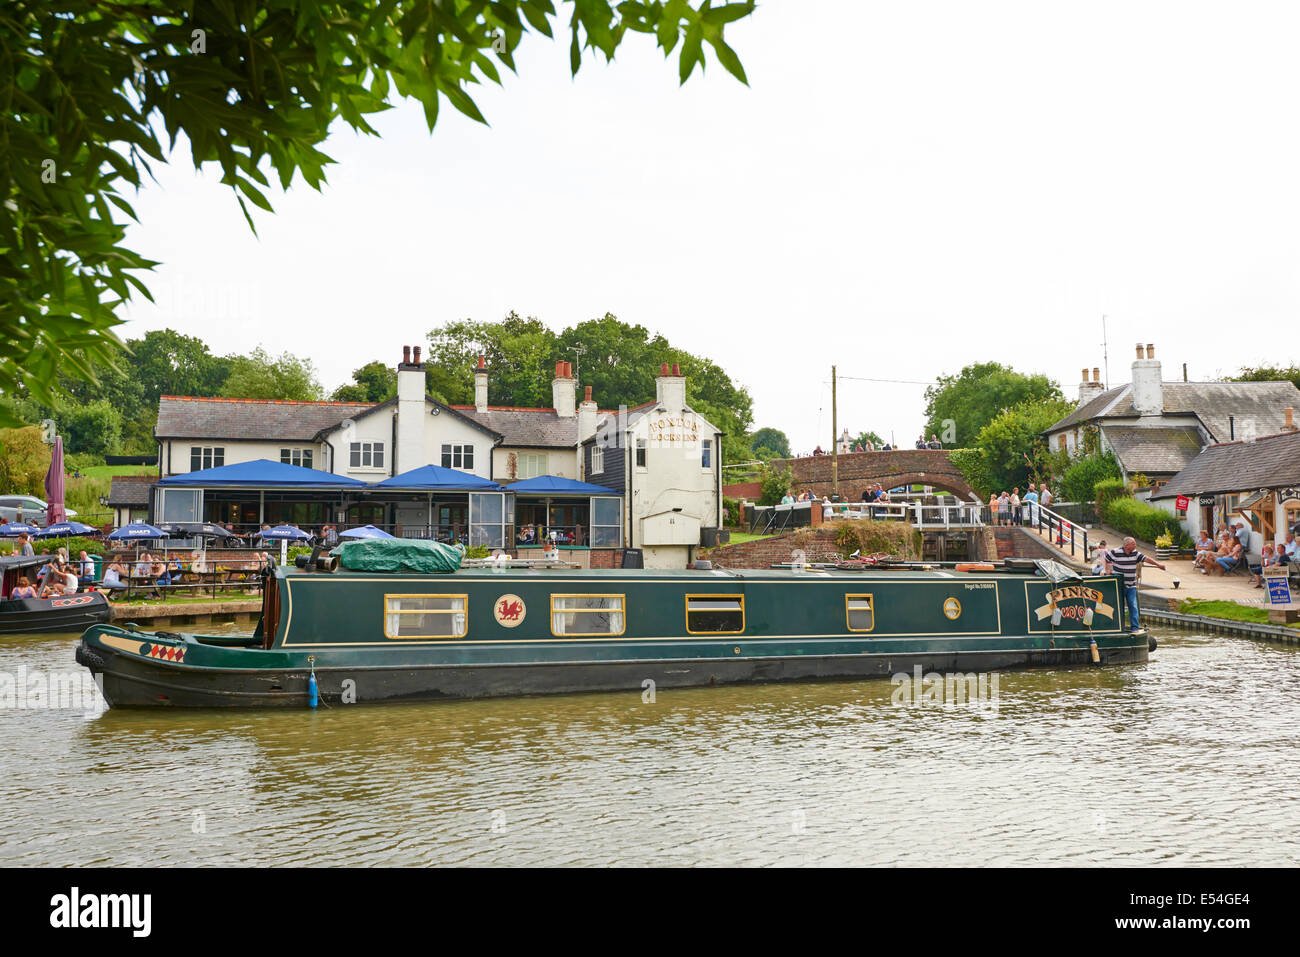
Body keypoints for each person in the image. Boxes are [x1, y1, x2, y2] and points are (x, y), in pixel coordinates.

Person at [1104, 537, 1167, 633]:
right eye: (1133, 544)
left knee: (1133, 606)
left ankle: (1135, 628)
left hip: (1131, 585)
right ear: (1127, 545)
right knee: (1118, 606)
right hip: (1119, 586)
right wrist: (1108, 570)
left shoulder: (1135, 553)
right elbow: (1107, 559)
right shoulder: (1115, 552)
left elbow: (1146, 559)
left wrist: (1158, 565)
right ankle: (1118, 627)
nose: (1135, 546)